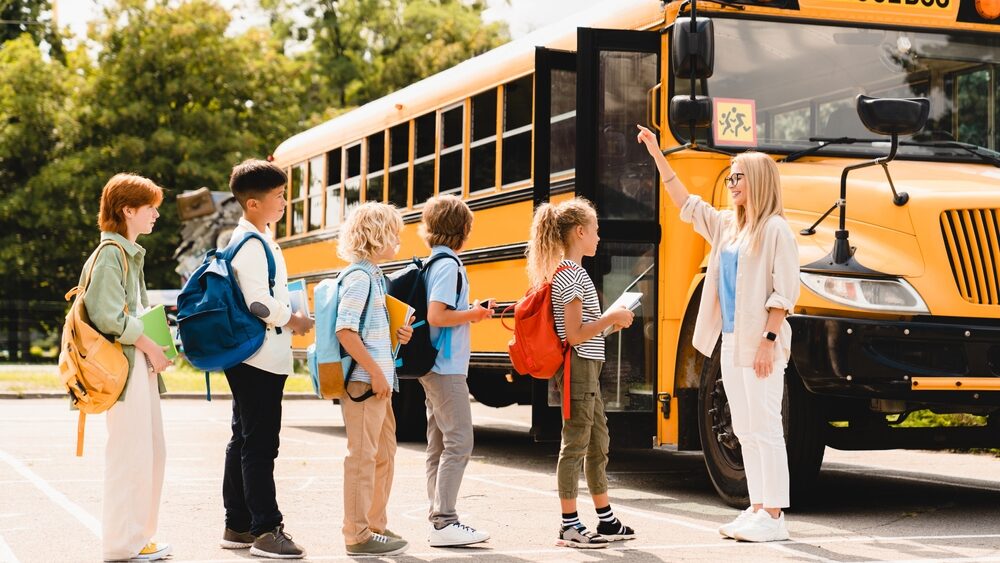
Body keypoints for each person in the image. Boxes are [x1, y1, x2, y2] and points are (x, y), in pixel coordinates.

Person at [637, 125, 800, 542]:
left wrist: (767, 341)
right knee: (744, 427)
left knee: (766, 426)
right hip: (729, 341)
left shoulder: (776, 230)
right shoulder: (727, 226)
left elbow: (785, 292)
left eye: (737, 177)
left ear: (759, 181)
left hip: (761, 341)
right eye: (729, 177)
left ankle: (775, 515)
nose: (730, 184)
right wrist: (658, 155)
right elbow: (685, 203)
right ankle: (757, 506)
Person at [525, 197, 637, 549]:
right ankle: (569, 524)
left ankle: (604, 518)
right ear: (580, 231)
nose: (599, 238)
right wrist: (610, 319)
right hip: (579, 369)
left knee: (597, 441)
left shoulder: (571, 272)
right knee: (575, 443)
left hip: (588, 367)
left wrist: (607, 325)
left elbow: (580, 329)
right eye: (596, 231)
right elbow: (573, 335)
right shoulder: (571, 275)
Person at [221, 159, 314, 559]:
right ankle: (265, 529)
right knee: (260, 445)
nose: (284, 202)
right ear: (253, 203)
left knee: (243, 439)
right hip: (258, 356)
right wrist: (293, 319)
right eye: (278, 196)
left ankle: (237, 524)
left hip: (252, 355)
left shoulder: (256, 238)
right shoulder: (252, 244)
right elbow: (258, 301)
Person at [84, 173, 173, 561]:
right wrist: (151, 345)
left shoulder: (126, 253)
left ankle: (137, 538)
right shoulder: (112, 254)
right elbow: (107, 315)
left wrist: (153, 348)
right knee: (131, 455)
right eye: (150, 207)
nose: (155, 214)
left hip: (135, 364)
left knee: (149, 452)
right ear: (128, 210)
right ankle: (123, 545)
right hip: (124, 368)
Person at [335, 202, 414, 556]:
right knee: (363, 457)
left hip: (378, 382)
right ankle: (357, 533)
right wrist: (378, 372)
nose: (398, 240)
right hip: (367, 382)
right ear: (375, 235)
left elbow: (365, 329)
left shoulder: (375, 277)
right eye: (393, 234)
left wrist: (396, 333)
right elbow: (345, 330)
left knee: (383, 454)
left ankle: (374, 525)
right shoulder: (359, 277)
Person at [417, 195, 493, 547]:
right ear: (462, 230)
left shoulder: (435, 262)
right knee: (460, 441)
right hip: (446, 368)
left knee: (438, 445)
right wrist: (474, 315)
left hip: (435, 366)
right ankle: (445, 521)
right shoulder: (448, 265)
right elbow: (437, 315)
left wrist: (470, 311)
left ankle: (438, 517)